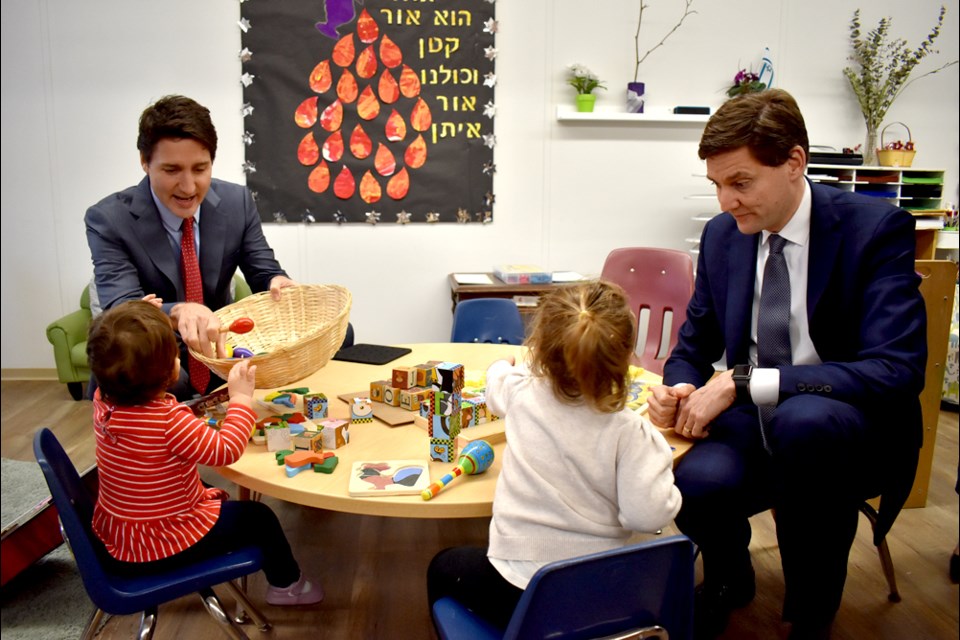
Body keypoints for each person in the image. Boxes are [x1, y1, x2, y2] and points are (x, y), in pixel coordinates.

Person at [647, 89, 926, 640]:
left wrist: (745, 381)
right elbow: (692, 340)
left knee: (806, 424)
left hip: (845, 422)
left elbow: (895, 370)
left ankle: (809, 615)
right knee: (692, 480)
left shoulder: (876, 229)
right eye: (718, 186)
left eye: (741, 182)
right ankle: (732, 579)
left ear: (795, 163)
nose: (727, 200)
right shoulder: (724, 235)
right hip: (756, 418)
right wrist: (677, 386)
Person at [427, 281, 681, 630]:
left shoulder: (522, 392)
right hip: (604, 593)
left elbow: (496, 382)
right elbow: (646, 516)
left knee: (443, 567)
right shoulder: (631, 431)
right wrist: (666, 477)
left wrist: (501, 362)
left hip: (518, 591)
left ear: (541, 350)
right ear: (625, 358)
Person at [86, 300, 323, 606]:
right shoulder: (169, 421)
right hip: (162, 546)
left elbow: (118, 353)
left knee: (209, 491)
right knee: (259, 518)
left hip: (124, 538)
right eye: (174, 352)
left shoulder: (102, 400)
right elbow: (226, 450)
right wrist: (240, 400)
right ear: (168, 373)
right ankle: (287, 586)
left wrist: (134, 316)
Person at [85, 94, 296, 399]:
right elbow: (121, 307)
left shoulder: (237, 202)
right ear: (145, 162)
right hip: (149, 362)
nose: (188, 187)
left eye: (200, 169)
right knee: (177, 382)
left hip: (216, 350)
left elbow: (263, 270)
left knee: (347, 334)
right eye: (171, 170)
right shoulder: (109, 219)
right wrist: (177, 312)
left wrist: (278, 282)